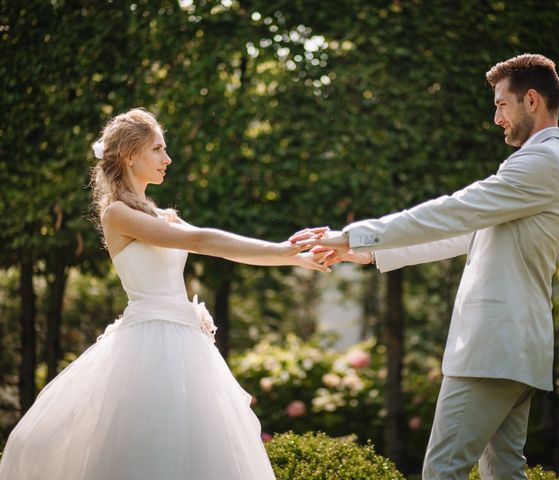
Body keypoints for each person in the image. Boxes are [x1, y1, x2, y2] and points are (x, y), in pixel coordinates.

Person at [291, 54, 559, 479]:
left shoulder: (540, 164)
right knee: (504, 472)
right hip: (513, 349)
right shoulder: (550, 165)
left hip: (492, 350)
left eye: (502, 104)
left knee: (441, 471)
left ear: (532, 100)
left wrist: (354, 234)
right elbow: (462, 235)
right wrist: (367, 253)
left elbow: (451, 212)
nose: (496, 116)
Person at [0, 108, 326, 480]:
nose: (167, 159)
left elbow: (221, 246)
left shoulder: (164, 216)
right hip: (148, 344)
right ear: (129, 154)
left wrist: (293, 258)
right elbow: (201, 241)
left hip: (185, 342)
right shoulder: (117, 214)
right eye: (158, 149)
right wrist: (283, 249)